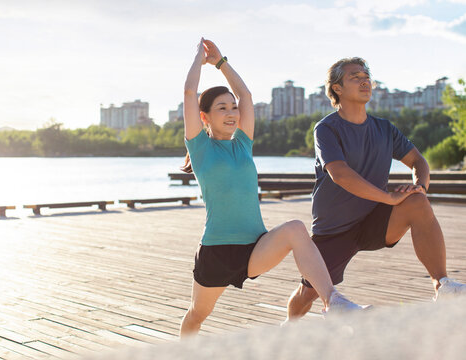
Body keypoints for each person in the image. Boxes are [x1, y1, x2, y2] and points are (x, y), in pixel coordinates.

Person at [179, 39, 361, 338]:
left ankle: (333, 302)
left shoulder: (243, 144)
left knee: (295, 229)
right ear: (204, 117)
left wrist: (221, 63)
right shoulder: (200, 148)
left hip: (254, 247)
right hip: (216, 251)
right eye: (222, 108)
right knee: (197, 315)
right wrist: (200, 59)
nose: (232, 112)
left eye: (233, 108)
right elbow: (189, 93)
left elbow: (246, 95)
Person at [286, 57, 466, 320]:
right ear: (337, 88)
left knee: (417, 202)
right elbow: (340, 174)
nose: (364, 80)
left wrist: (420, 188)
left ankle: (442, 284)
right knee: (308, 293)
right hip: (335, 229)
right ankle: (288, 327)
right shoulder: (326, 129)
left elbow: (418, 161)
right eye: (354, 77)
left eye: (366, 75)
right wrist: (388, 197)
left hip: (373, 220)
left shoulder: (384, 128)